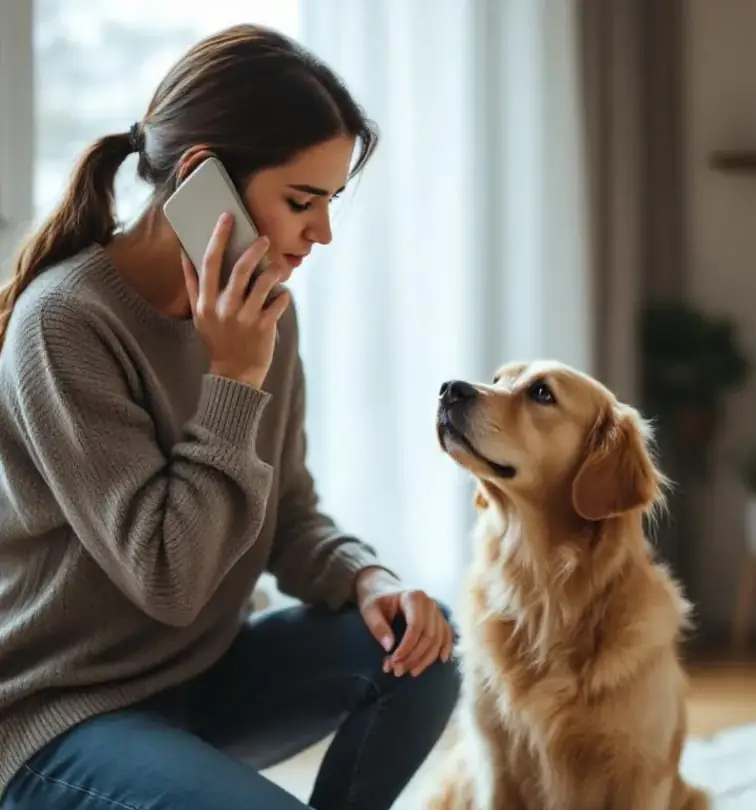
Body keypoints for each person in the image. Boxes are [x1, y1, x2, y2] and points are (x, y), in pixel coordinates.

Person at [0, 23, 461, 810]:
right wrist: (234, 377)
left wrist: (366, 574)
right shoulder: (66, 323)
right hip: (59, 714)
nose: (321, 233)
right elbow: (169, 580)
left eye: (331, 202)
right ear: (200, 178)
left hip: (201, 677)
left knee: (424, 649)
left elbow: (285, 514)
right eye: (301, 201)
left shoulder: (263, 317)